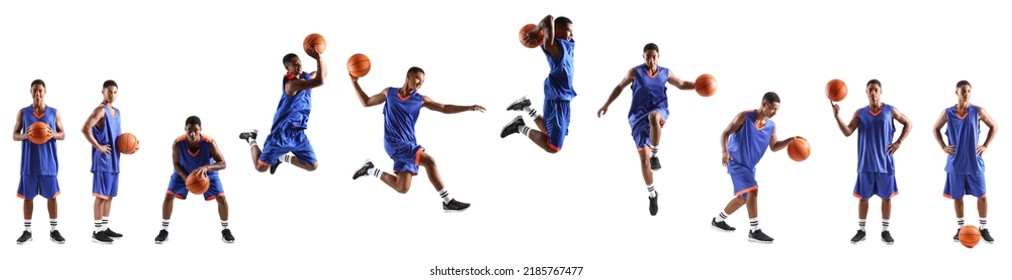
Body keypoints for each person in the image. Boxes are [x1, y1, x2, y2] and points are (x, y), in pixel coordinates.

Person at [351, 67, 483, 211]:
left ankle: (370, 169)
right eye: (418, 78)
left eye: (423, 81)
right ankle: (447, 201)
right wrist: (354, 82)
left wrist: (469, 107)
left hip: (409, 143)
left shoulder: (420, 100)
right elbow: (366, 102)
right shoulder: (389, 93)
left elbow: (444, 107)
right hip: (393, 143)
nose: (421, 83)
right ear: (409, 77)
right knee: (430, 161)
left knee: (402, 188)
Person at [596, 43, 696, 216]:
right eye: (647, 56)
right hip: (637, 117)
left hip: (658, 110)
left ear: (659, 56)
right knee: (644, 161)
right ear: (643, 57)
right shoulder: (635, 72)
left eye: (654, 56)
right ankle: (652, 194)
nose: (651, 59)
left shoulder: (665, 73)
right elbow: (619, 87)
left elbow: (681, 84)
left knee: (654, 118)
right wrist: (606, 104)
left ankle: (656, 155)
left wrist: (698, 86)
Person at [831, 79, 912, 245]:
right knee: (863, 197)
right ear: (866, 93)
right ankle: (861, 230)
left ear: (880, 92)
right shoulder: (860, 113)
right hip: (865, 162)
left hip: (885, 163)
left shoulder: (890, 110)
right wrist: (837, 116)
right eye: (870, 90)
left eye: (876, 90)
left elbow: (908, 123)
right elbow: (847, 132)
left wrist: (898, 142)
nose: (873, 93)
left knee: (887, 197)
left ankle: (885, 230)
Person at [709, 92, 797, 244]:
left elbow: (774, 147)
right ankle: (754, 230)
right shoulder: (744, 116)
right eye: (772, 109)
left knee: (744, 198)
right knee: (753, 190)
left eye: (777, 110)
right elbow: (725, 133)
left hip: (749, 167)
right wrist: (724, 152)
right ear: (764, 105)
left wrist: (790, 141)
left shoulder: (771, 126)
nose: (775, 113)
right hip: (735, 162)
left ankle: (718, 220)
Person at [240, 47, 327, 174]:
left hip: (298, 134)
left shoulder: (305, 78)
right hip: (282, 134)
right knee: (261, 168)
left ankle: (282, 157)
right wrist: (318, 57)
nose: (299, 65)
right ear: (288, 68)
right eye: (295, 63)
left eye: (300, 62)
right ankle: (250, 138)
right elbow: (320, 80)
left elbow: (323, 74)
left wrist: (320, 56)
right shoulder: (291, 84)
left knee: (312, 165)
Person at [932, 80, 997, 244]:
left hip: (975, 162)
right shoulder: (948, 113)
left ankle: (983, 227)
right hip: (955, 163)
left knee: (982, 196)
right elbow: (935, 129)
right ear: (957, 93)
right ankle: (960, 228)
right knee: (957, 196)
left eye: (968, 91)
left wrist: (985, 145)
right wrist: (943, 146)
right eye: (963, 91)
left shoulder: (978, 111)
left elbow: (994, 126)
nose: (966, 93)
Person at [501, 15, 577, 154]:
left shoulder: (568, 43)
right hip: (556, 99)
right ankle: (519, 127)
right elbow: (549, 19)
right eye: (568, 30)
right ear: (557, 30)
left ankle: (526, 107)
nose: (571, 34)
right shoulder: (553, 47)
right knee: (554, 147)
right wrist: (536, 32)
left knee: (551, 131)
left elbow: (558, 29)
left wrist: (544, 32)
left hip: (565, 99)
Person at [155, 116, 233, 244]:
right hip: (183, 172)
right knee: (169, 196)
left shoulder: (210, 142)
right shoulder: (177, 143)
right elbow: (175, 164)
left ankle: (225, 230)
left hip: (207, 174)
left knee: (221, 198)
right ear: (185, 129)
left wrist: (207, 167)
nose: (192, 133)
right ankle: (164, 230)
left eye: (196, 130)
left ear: (200, 129)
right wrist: (186, 178)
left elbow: (223, 163)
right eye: (189, 130)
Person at [13, 79, 67, 245]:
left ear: (45, 92)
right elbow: (14, 135)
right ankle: (27, 231)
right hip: (29, 163)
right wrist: (25, 135)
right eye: (35, 90)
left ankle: (54, 230)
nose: (37, 93)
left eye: (40, 90)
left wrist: (53, 134)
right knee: (27, 197)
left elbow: (63, 134)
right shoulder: (23, 113)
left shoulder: (54, 112)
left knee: (52, 197)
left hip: (49, 163)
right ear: (30, 92)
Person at [82, 80, 128, 244]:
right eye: (109, 91)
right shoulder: (100, 111)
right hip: (103, 161)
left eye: (115, 92)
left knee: (109, 196)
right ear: (103, 92)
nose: (112, 95)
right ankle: (96, 231)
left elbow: (119, 138)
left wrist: (128, 147)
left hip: (115, 159)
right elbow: (85, 128)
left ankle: (105, 227)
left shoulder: (117, 112)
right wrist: (99, 147)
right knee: (101, 196)